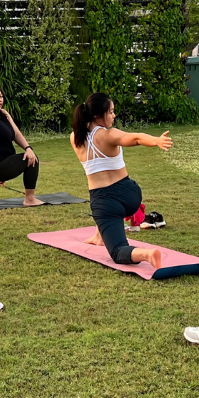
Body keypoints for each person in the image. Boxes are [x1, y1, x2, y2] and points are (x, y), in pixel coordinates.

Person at [70, 92, 172, 270]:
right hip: (131, 195)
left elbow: (136, 138)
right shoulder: (109, 135)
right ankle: (99, 235)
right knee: (104, 211)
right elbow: (137, 138)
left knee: (118, 251)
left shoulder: (75, 137)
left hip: (105, 203)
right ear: (97, 116)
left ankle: (147, 254)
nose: (113, 115)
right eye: (110, 112)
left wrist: (154, 140)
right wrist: (156, 140)